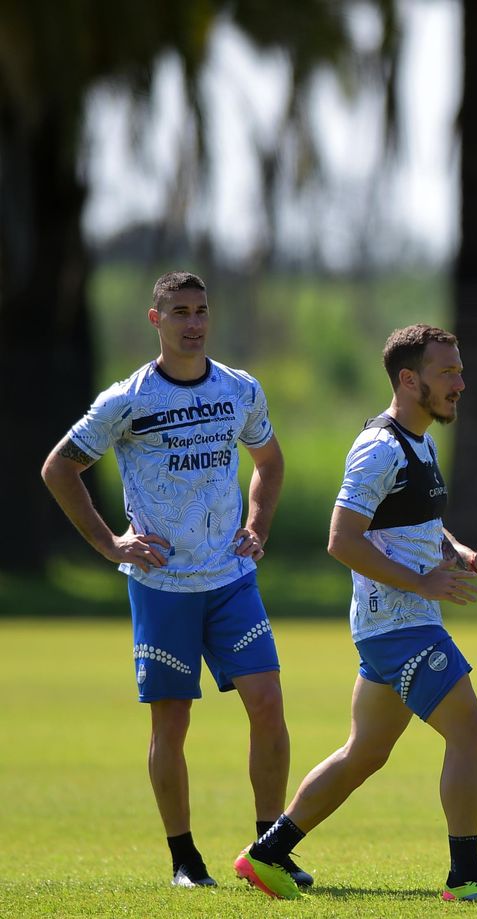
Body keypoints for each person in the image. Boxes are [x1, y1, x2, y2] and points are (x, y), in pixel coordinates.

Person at [232, 324, 477, 903]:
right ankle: (466, 877)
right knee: (468, 732)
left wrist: (472, 558)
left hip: (401, 624)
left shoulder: (420, 441)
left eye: (460, 371)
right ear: (408, 378)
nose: (460, 384)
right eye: (447, 373)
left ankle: (267, 854)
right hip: (397, 625)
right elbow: (342, 540)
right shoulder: (378, 448)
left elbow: (422, 525)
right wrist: (422, 581)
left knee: (364, 753)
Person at [39, 270, 302, 889]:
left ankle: (270, 848)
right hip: (162, 586)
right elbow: (59, 468)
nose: (194, 322)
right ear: (156, 320)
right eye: (180, 311)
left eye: (202, 310)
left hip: (233, 579)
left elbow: (268, 461)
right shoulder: (126, 401)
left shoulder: (241, 389)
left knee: (267, 703)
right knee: (171, 724)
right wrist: (111, 544)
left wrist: (258, 526)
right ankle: (185, 859)